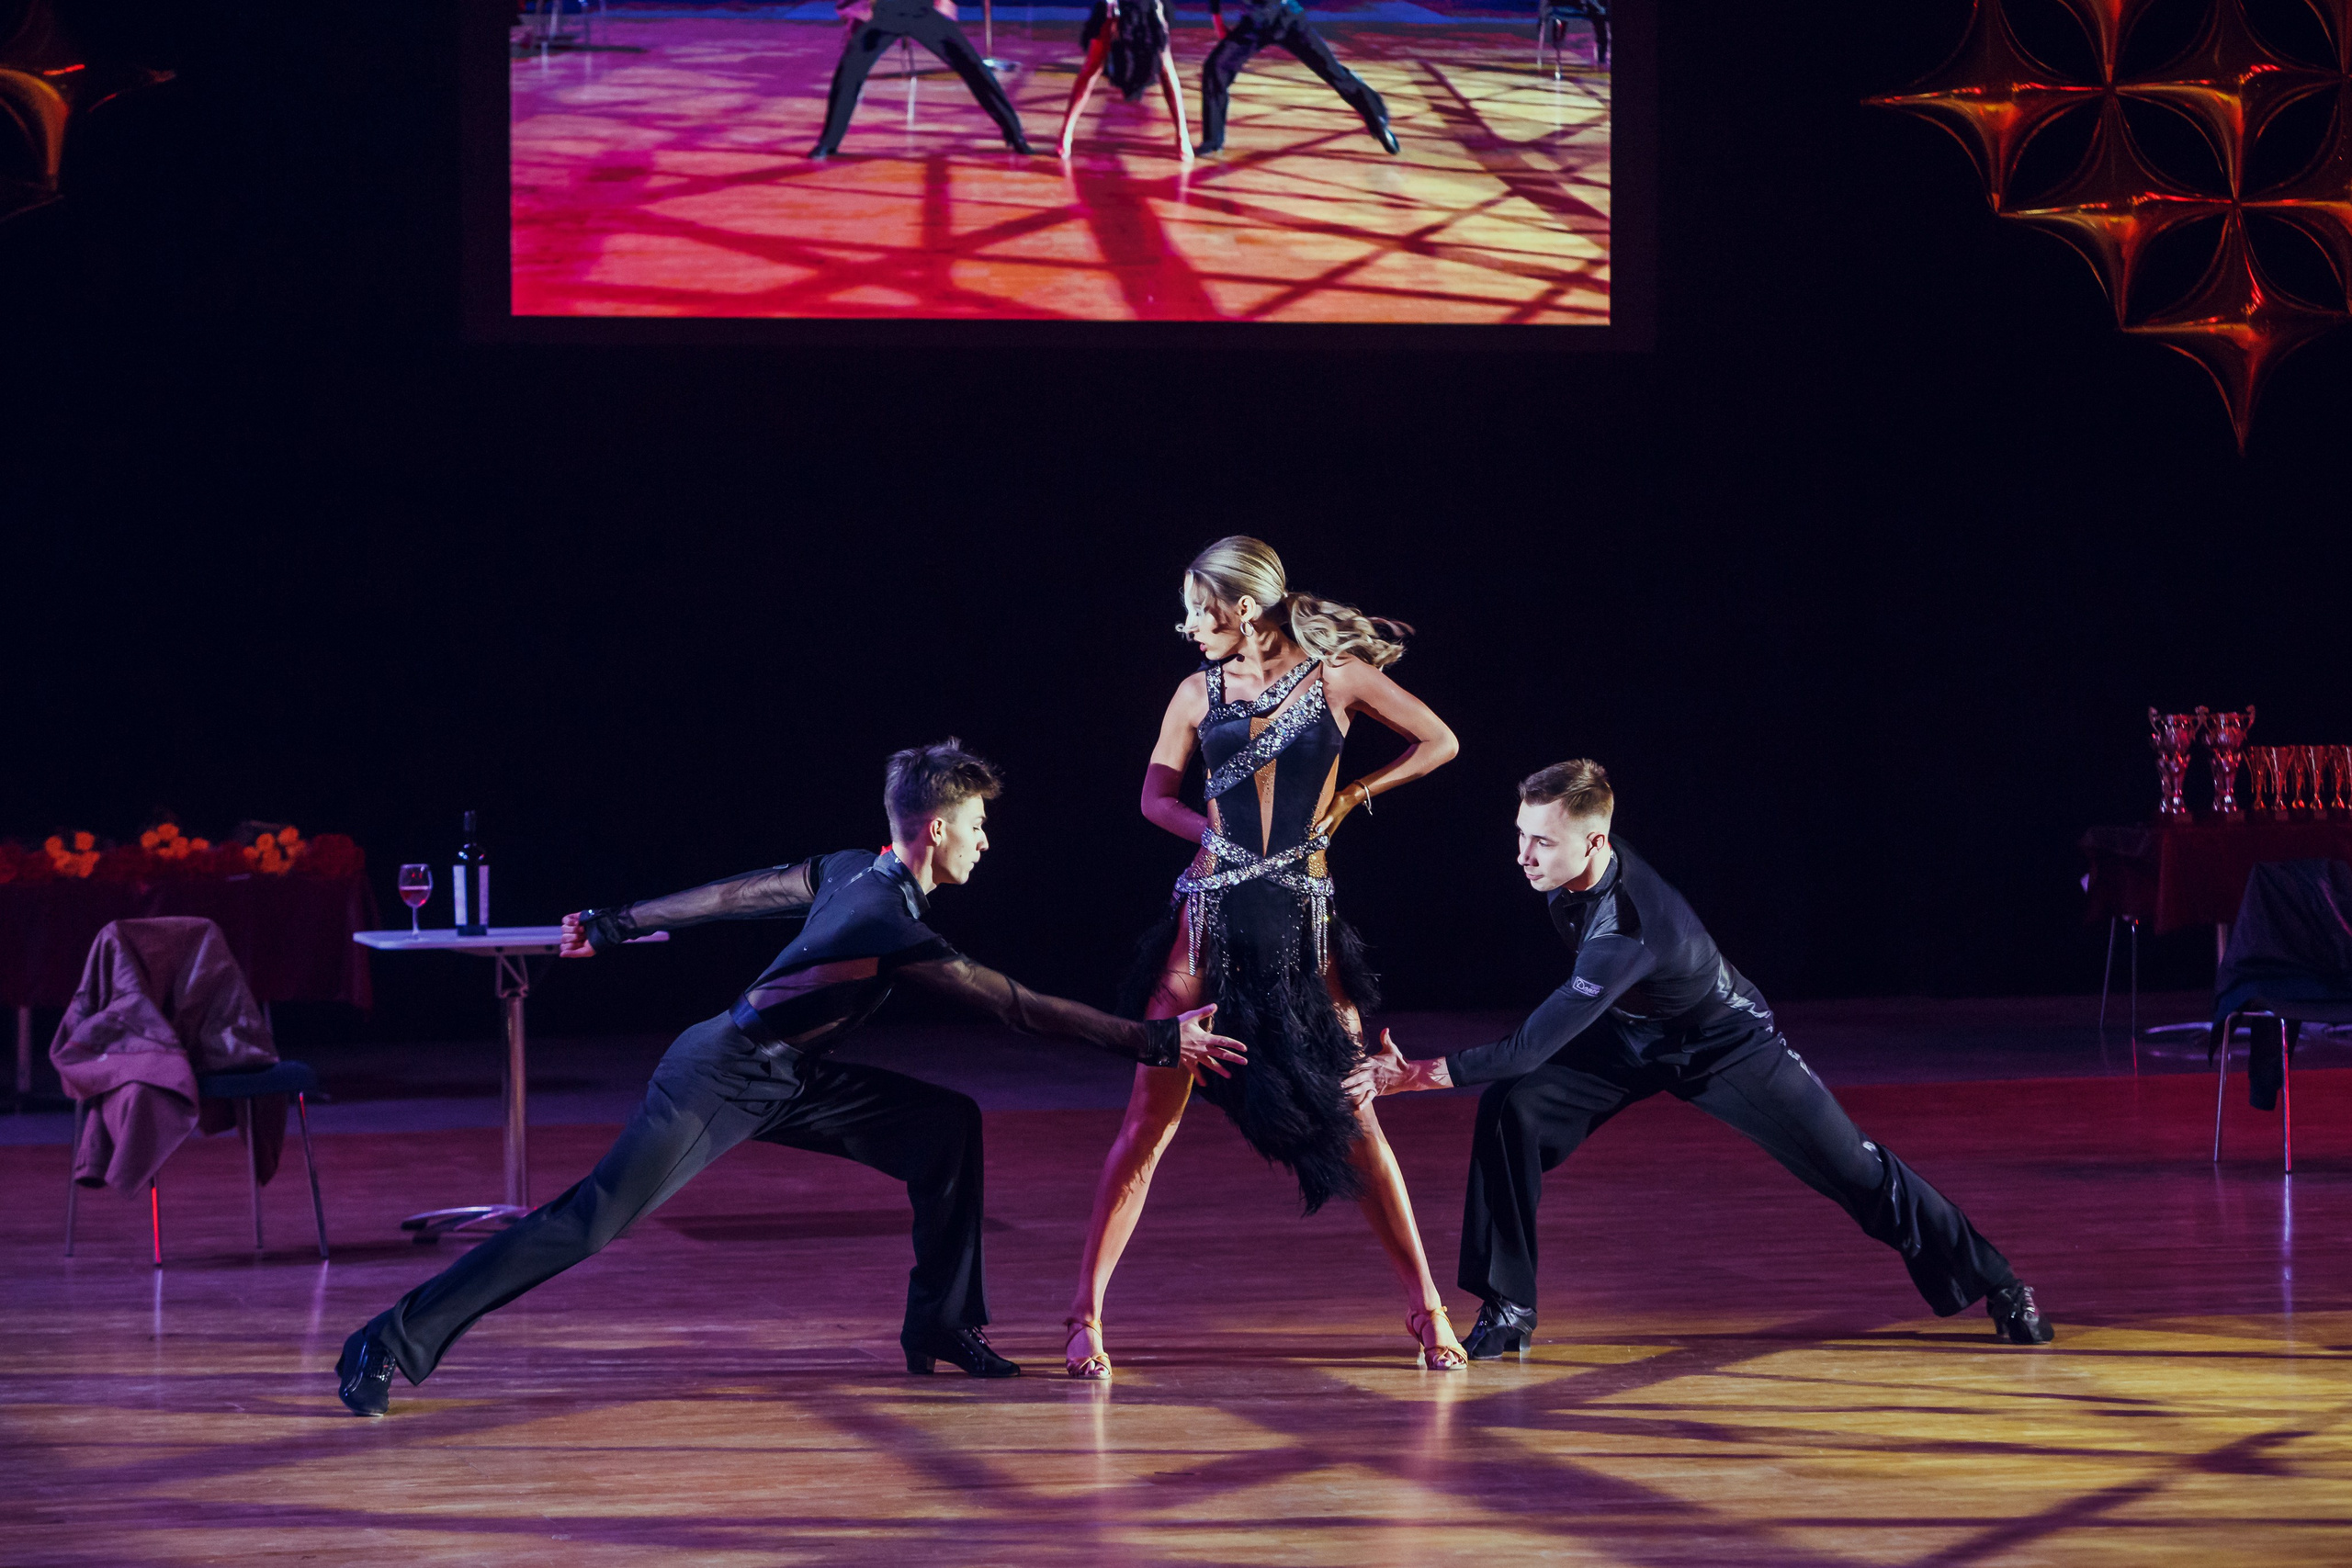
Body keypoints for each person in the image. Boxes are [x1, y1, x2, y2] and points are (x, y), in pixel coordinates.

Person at [335, 740, 1247, 1416]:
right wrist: (1152, 1040)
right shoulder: (886, 923)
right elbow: (1013, 1004)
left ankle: (938, 1323)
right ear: (934, 830)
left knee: (944, 1127)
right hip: (721, 1076)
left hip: (793, 1073)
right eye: (976, 827)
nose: (985, 843)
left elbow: (747, 890)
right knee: (588, 1221)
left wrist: (620, 920)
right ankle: (386, 1342)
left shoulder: (859, 869)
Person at [1349, 760, 2053, 1356]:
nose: (1523, 857)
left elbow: (1534, 1042)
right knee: (1514, 1110)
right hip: (1631, 1032)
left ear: (1595, 842)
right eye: (1521, 837)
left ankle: (1999, 1282)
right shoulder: (1573, 866)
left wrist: (1412, 1075)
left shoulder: (1627, 927)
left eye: (1540, 843)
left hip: (1724, 1042)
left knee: (1856, 1170)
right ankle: (1508, 1311)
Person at [1061, 536, 1465, 1381]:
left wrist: (1355, 794)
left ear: (1243, 608)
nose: (1187, 626)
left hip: (1302, 927)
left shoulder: (1336, 678)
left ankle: (1426, 1307)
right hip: (1205, 926)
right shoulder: (1191, 693)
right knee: (1147, 1124)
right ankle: (1085, 1316)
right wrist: (1209, 833)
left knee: (1356, 1119)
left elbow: (1439, 740)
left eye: (1198, 609)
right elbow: (1153, 799)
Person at [809, 0, 1034, 160]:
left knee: (972, 66)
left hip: (921, 9)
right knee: (849, 73)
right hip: (882, 11)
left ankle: (1015, 135)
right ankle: (828, 143)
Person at [1194, 0, 1396, 156]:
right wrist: (1217, 20)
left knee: (1332, 71)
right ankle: (1212, 141)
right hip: (1254, 23)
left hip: (1288, 19)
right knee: (1215, 68)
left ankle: (1377, 120)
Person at [1056, 0, 1193, 163]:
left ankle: (1182, 135)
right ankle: (1066, 132)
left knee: (1165, 67)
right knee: (1093, 65)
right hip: (1115, 5)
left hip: (1146, 7)